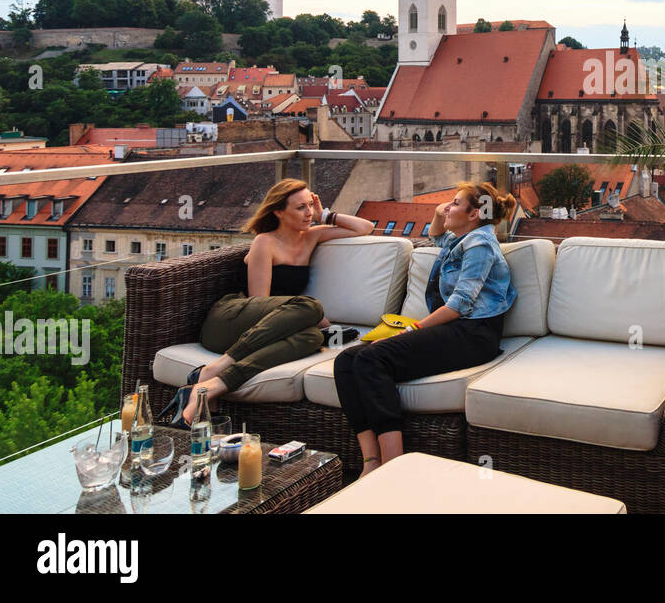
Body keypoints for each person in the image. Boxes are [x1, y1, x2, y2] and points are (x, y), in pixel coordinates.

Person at [333, 181, 517, 476]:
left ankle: (393, 465)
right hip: (458, 330)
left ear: (473, 214)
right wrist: (437, 213)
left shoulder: (480, 245)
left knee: (371, 358)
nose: (448, 207)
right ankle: (371, 461)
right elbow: (436, 238)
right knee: (345, 361)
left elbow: (459, 305)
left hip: (473, 334)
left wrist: (412, 330)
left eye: (455, 203)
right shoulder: (463, 239)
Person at [160, 179, 374, 427]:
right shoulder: (265, 241)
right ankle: (214, 367)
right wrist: (314, 317)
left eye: (309, 206)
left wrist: (324, 213)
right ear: (278, 212)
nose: (307, 213)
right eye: (300, 207)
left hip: (262, 332)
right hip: (230, 320)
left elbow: (365, 227)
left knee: (313, 339)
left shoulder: (311, 237)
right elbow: (259, 302)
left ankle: (211, 386)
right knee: (311, 307)